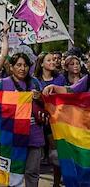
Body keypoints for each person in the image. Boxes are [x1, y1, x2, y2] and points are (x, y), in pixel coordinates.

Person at [0, 53, 47, 187]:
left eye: (25, 65)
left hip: (33, 135)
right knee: (13, 172)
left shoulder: (34, 82)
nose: (22, 68)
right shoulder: (1, 84)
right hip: (11, 136)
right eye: (18, 65)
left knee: (32, 172)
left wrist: (40, 97)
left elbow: (46, 105)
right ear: (11, 67)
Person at [33, 52, 66, 186]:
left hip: (56, 121)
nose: (53, 62)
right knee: (35, 154)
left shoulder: (60, 79)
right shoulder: (35, 80)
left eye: (53, 60)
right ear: (41, 63)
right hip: (38, 121)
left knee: (55, 153)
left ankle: (56, 183)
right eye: (49, 60)